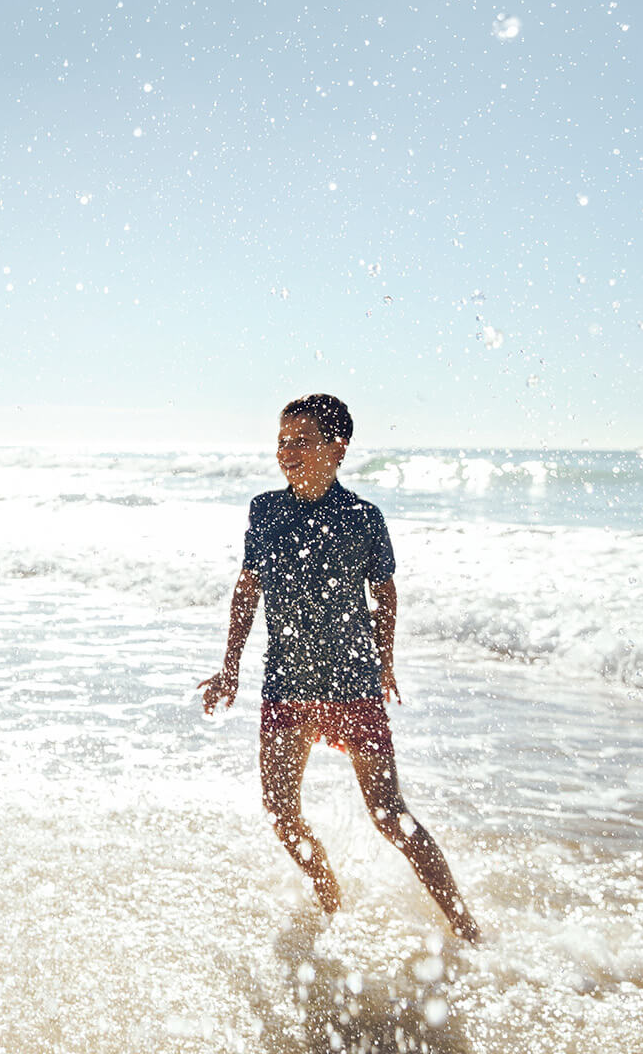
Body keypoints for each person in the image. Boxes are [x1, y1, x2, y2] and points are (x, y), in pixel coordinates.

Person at [198, 394, 480, 943]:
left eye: (301, 441)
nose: (287, 452)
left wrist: (386, 660)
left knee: (389, 815)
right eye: (282, 441)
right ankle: (330, 897)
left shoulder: (362, 518)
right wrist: (229, 666)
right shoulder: (265, 511)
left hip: (351, 688)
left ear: (337, 447)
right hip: (285, 688)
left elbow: (385, 591)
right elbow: (247, 588)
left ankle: (466, 925)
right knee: (280, 811)